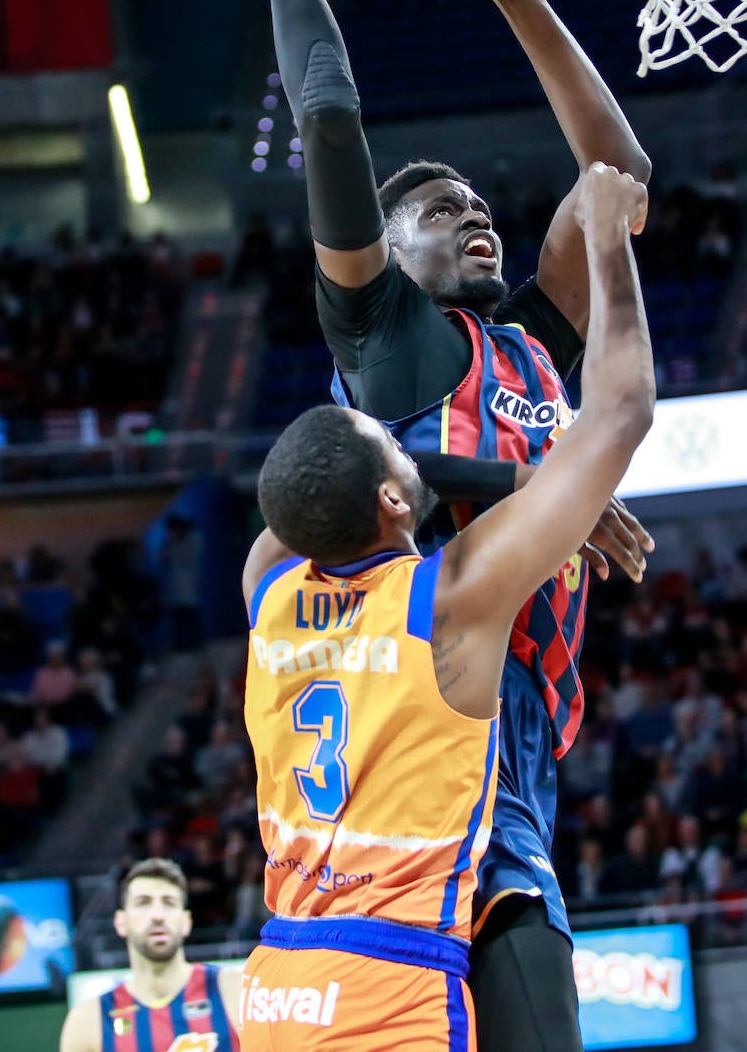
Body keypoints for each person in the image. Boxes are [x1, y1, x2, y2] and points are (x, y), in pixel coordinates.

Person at [252, 0, 653, 1052]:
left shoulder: (527, 344)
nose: (469, 212)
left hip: (521, 710)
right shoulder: (387, 344)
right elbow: (327, 118)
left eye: (477, 203)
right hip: (434, 701)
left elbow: (613, 184)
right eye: (436, 210)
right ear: (392, 253)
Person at [239, 163, 654, 1049]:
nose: (474, 216)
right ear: (394, 500)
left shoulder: (269, 591)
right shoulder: (452, 598)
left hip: (295, 945)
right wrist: (613, 244)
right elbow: (620, 413)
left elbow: (303, 500)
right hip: (431, 887)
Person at [59, 856, 241, 1051]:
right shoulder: (89, 1020)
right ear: (120, 921)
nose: (157, 915)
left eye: (169, 903)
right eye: (143, 903)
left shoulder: (236, 990)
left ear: (186, 921)